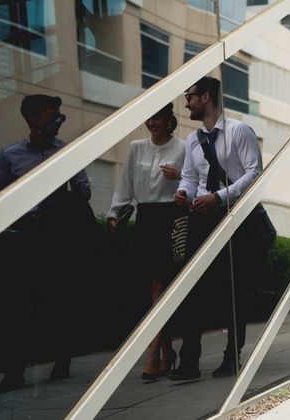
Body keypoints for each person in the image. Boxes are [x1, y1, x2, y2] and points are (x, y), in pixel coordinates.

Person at [170, 76, 276, 381]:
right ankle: (189, 362)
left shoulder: (238, 131)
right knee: (192, 290)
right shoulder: (193, 140)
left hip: (234, 218)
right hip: (201, 218)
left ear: (205, 97)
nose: (186, 103)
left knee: (233, 291)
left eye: (189, 96)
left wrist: (218, 197)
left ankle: (232, 357)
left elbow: (254, 174)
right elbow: (190, 178)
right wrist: (184, 192)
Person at [0, 94, 93, 393]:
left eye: (59, 115)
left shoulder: (66, 152)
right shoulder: (10, 155)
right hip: (24, 240)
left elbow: (84, 191)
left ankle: (62, 360)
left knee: (59, 298)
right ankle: (15, 370)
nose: (59, 120)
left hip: (57, 238)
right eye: (52, 115)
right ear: (33, 118)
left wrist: (57, 203)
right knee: (19, 303)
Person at [106, 103, 185, 381]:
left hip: (171, 219)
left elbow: (192, 183)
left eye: (157, 118)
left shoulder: (182, 148)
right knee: (150, 289)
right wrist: (115, 213)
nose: (152, 122)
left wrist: (181, 178)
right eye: (150, 117)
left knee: (159, 286)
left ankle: (153, 354)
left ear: (168, 121)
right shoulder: (136, 147)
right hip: (145, 219)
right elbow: (125, 184)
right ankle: (166, 352)